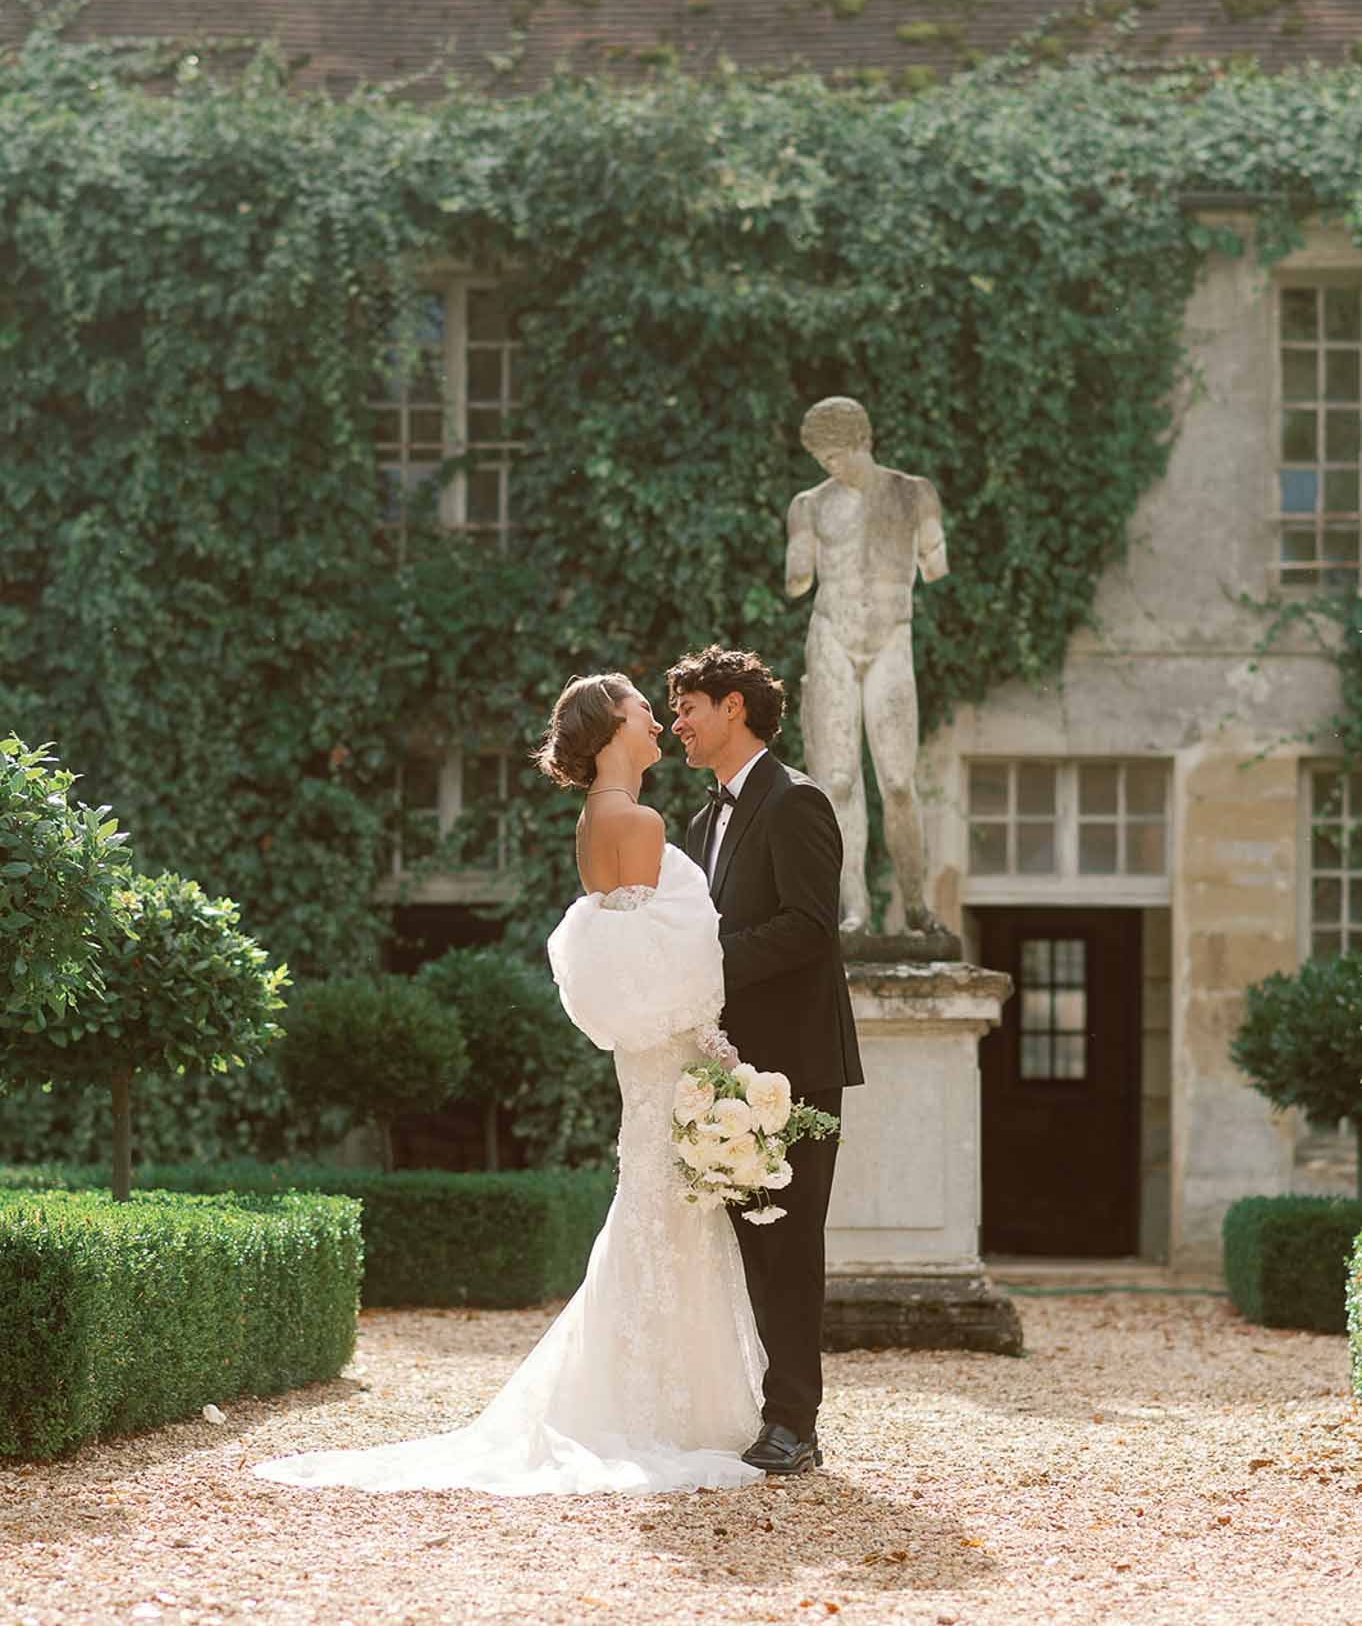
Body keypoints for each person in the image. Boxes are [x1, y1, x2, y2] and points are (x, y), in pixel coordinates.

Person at [255, 672, 767, 1497]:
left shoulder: (593, 821)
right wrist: (718, 1048)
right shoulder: (635, 819)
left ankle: (643, 1402)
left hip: (645, 1062)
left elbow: (621, 958)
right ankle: (663, 1416)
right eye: (643, 707)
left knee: (651, 1217)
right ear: (612, 728)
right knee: (666, 1222)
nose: (656, 719)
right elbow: (654, 961)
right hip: (671, 1053)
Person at [669, 644, 863, 1478]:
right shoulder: (701, 821)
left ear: (733, 709)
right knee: (742, 1247)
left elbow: (813, 924)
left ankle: (796, 1423)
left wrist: (708, 962)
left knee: (789, 1246)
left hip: (796, 1067)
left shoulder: (797, 802)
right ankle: (752, 1404)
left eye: (687, 708)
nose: (677, 723)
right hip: (725, 1067)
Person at [787, 396, 948, 935]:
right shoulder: (809, 505)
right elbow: (799, 580)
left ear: (863, 441)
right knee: (836, 780)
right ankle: (854, 906)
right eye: (821, 457)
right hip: (832, 636)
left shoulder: (912, 494)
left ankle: (915, 904)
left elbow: (935, 563)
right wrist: (798, 558)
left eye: (836, 454)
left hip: (889, 638)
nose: (828, 466)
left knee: (899, 781)